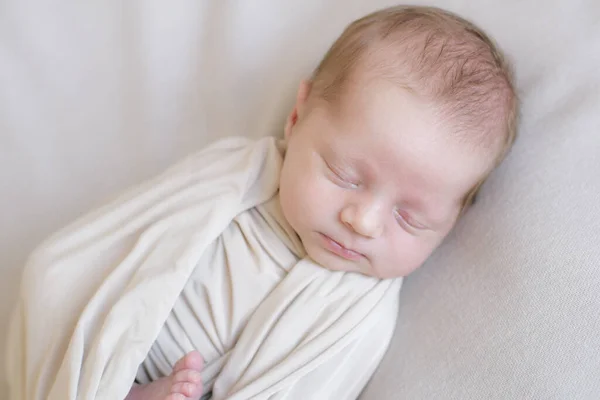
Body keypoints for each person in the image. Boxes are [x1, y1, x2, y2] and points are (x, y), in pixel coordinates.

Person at [8, 6, 518, 400]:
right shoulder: (235, 173)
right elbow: (124, 247)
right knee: (49, 277)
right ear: (297, 119)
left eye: (409, 218)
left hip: (198, 384)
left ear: (451, 223)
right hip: (103, 350)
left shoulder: (359, 313)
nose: (361, 221)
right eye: (343, 174)